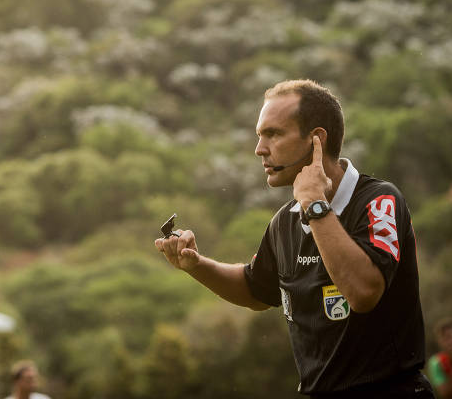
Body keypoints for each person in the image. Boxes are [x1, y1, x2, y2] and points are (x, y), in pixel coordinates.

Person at [155, 79, 434, 397]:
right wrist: (195, 265)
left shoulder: (378, 201)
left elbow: (363, 292)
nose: (259, 148)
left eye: (273, 134)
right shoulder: (283, 222)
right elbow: (255, 290)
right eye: (260, 135)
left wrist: (315, 205)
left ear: (316, 140)